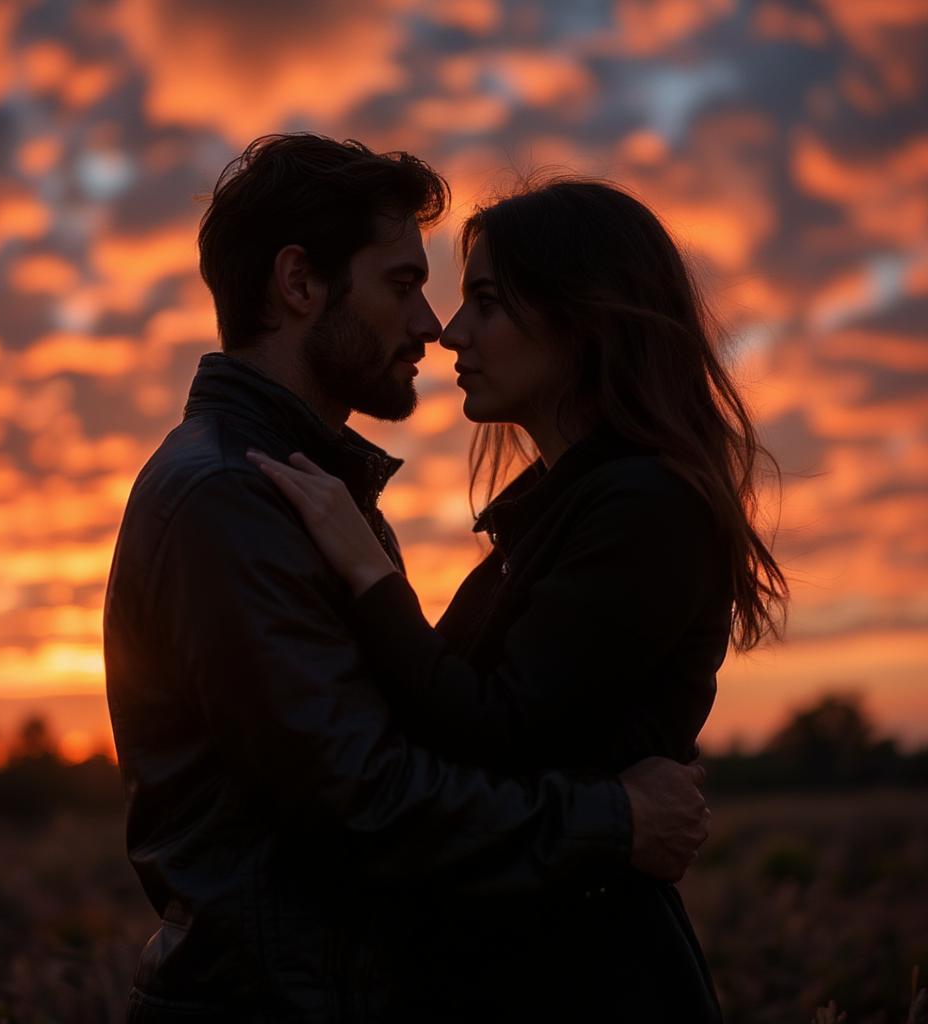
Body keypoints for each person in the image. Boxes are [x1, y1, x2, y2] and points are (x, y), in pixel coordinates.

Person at [104, 136, 712, 1022]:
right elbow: (367, 800)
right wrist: (616, 822)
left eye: (466, 298)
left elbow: (428, 735)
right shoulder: (235, 496)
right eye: (401, 284)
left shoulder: (303, 488)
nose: (433, 324)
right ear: (300, 284)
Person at [249, 177, 790, 1021]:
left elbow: (490, 728)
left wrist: (370, 577)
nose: (451, 332)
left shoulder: (646, 509)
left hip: (590, 981)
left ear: (584, 320)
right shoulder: (564, 512)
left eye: (487, 304)